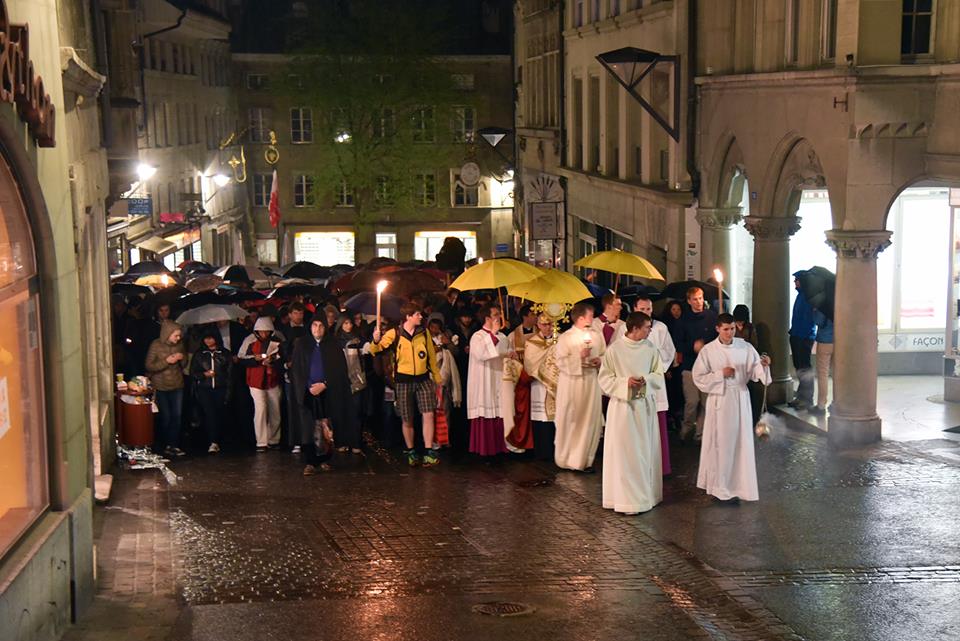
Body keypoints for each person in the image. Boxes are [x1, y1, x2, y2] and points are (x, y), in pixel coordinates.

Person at [692, 313, 772, 502]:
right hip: (720, 399)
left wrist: (764, 364)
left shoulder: (745, 347)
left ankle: (740, 486)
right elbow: (699, 378)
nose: (730, 333)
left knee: (740, 443)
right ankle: (721, 488)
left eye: (733, 329)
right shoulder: (709, 351)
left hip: (740, 398)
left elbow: (756, 372)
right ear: (718, 329)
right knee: (722, 444)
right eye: (726, 329)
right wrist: (720, 374)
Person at [598, 312, 665, 514]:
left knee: (644, 452)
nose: (649, 331)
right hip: (622, 410)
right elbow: (604, 379)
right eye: (646, 327)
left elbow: (658, 375)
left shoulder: (650, 348)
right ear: (634, 328)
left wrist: (645, 379)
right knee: (625, 454)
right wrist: (624, 383)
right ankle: (624, 499)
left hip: (644, 408)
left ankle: (646, 496)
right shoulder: (614, 350)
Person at [370, 303, 443, 466]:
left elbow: (431, 356)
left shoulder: (424, 334)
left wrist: (437, 378)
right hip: (403, 381)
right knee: (407, 418)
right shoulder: (394, 333)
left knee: (428, 414)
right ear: (408, 317)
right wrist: (375, 341)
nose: (421, 317)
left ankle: (429, 450)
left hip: (423, 379)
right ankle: (411, 451)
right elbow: (376, 350)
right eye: (417, 314)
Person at [554, 302, 605, 471]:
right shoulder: (566, 337)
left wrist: (600, 361)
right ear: (581, 317)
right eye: (590, 315)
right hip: (572, 384)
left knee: (591, 419)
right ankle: (567, 458)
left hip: (591, 382)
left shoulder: (596, 335)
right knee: (572, 419)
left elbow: (605, 354)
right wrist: (579, 356)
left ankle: (586, 459)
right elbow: (560, 362)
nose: (593, 318)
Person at [635, 296, 676, 475]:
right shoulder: (624, 328)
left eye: (649, 309)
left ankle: (661, 466)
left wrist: (657, 364)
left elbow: (669, 351)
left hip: (655, 382)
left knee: (658, 425)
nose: (646, 313)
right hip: (636, 383)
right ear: (635, 309)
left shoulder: (660, 328)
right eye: (642, 309)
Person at [290, 318, 335, 475]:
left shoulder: (331, 345)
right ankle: (310, 461)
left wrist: (325, 384)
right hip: (307, 392)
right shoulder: (302, 344)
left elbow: (337, 368)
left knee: (325, 425)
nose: (317, 328)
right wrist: (308, 387)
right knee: (308, 427)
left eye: (321, 325)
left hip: (326, 391)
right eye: (314, 325)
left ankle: (325, 459)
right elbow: (297, 369)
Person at [466, 304, 512, 457]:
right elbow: (481, 354)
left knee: (500, 410)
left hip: (498, 377)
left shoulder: (503, 336)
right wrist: (492, 334)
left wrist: (510, 354)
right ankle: (485, 449)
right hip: (484, 379)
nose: (499, 317)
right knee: (486, 408)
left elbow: (505, 353)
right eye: (496, 314)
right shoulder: (477, 336)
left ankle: (501, 447)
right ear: (487, 318)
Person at [677, 287, 718, 442]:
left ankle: (701, 434)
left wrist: (706, 346)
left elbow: (717, 339)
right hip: (690, 367)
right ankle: (687, 429)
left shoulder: (712, 317)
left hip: (708, 368)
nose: (699, 302)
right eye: (695, 299)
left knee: (706, 402)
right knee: (692, 401)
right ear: (689, 301)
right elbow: (678, 343)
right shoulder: (683, 320)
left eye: (700, 298)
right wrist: (692, 347)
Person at [239, 317, 284, 452]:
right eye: (261, 331)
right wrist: (256, 360)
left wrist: (273, 360)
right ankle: (261, 442)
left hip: (272, 379)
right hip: (255, 380)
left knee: (275, 410)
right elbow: (241, 358)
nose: (264, 334)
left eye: (267, 331)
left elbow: (283, 355)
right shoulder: (249, 340)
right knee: (261, 409)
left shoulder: (277, 340)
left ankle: (274, 439)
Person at [144, 320, 187, 457]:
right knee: (166, 416)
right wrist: (167, 361)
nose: (178, 338)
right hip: (161, 386)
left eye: (179, 335)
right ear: (168, 334)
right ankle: (162, 443)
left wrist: (182, 358)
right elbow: (149, 366)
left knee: (177, 416)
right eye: (176, 335)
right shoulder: (156, 345)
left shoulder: (180, 345)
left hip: (177, 384)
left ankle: (173, 445)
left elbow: (184, 364)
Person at [189, 330, 232, 453]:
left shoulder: (225, 354)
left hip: (221, 388)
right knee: (210, 414)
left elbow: (230, 375)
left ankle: (219, 440)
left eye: (210, 338)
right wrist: (204, 374)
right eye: (206, 338)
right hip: (205, 389)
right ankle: (213, 441)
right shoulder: (199, 354)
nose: (208, 341)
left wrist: (229, 391)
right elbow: (193, 373)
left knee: (220, 414)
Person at [524, 314, 560, 461]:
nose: (547, 328)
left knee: (558, 419)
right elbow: (530, 364)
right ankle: (543, 452)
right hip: (539, 385)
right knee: (542, 420)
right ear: (538, 325)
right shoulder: (531, 342)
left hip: (558, 385)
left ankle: (558, 452)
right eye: (544, 325)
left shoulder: (562, 340)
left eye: (550, 324)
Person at [504, 304, 537, 450]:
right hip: (520, 379)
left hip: (537, 378)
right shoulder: (512, 336)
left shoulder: (540, 333)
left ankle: (535, 442)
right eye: (533, 314)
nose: (536, 317)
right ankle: (519, 443)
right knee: (521, 411)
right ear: (525, 316)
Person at [427, 315, 461, 448]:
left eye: (437, 327)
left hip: (443, 380)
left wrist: (448, 344)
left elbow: (455, 353)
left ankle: (444, 439)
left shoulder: (445, 339)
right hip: (430, 380)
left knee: (445, 410)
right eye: (432, 327)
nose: (435, 330)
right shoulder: (424, 340)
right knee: (431, 411)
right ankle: (433, 440)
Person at [334, 316, 366, 453]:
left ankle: (356, 442)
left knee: (356, 411)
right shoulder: (335, 341)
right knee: (341, 411)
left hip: (356, 380)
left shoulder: (358, 339)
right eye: (345, 323)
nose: (348, 325)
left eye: (350, 322)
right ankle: (342, 441)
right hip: (341, 381)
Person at [281, 302, 309, 453]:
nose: (299, 316)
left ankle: (306, 439)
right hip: (291, 377)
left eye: (301, 313)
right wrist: (286, 364)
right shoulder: (284, 332)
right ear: (290, 314)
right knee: (293, 408)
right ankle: (296, 440)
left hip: (306, 376)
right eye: (296, 313)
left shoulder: (307, 330)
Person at [788, 272, 817, 409]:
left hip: (804, 337)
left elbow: (809, 318)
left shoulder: (808, 297)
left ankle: (807, 399)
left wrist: (802, 334)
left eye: (797, 280)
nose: (795, 282)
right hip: (796, 334)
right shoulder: (800, 295)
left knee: (805, 368)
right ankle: (801, 396)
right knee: (799, 367)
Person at [809, 309, 833, 416]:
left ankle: (821, 406)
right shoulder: (842, 299)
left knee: (823, 374)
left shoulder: (825, 302)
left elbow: (819, 321)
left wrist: (815, 310)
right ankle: (837, 404)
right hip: (840, 340)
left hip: (825, 340)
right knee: (838, 374)